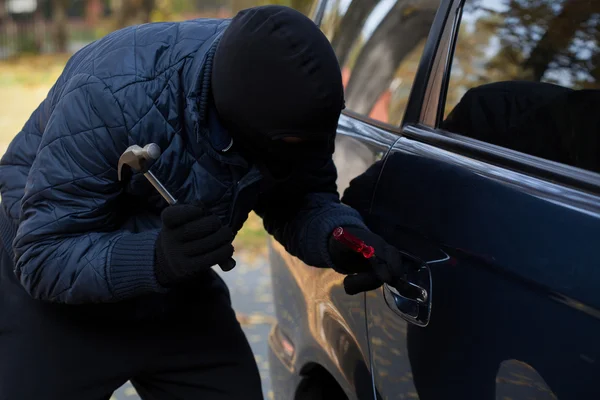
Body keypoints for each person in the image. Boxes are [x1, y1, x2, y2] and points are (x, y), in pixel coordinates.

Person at [0, 6, 405, 399]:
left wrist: (337, 236)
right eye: (286, 148)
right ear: (233, 123)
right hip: (54, 285)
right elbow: (41, 255)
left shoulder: (293, 105)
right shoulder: (110, 93)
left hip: (175, 281)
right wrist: (155, 259)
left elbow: (299, 197)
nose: (302, 156)